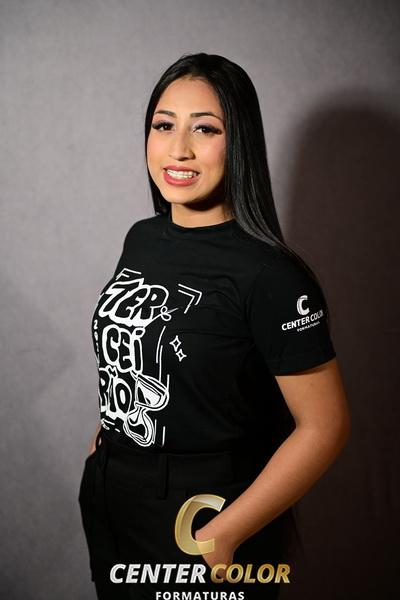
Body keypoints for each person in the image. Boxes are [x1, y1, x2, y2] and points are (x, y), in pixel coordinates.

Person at [78, 52, 350, 600]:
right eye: (164, 126)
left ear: (239, 140)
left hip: (202, 514)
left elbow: (326, 426)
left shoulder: (272, 275)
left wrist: (224, 534)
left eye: (205, 129)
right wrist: (104, 448)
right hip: (114, 494)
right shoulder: (142, 238)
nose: (179, 149)